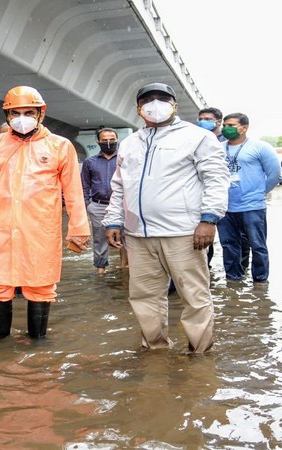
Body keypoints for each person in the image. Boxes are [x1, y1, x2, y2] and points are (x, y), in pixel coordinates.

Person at [103, 82, 229, 353]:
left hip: (183, 233)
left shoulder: (197, 137)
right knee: (144, 296)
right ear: (139, 108)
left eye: (163, 98)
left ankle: (200, 353)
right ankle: (155, 349)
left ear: (174, 104)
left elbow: (216, 179)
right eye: (148, 99)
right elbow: (119, 186)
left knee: (194, 296)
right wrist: (114, 220)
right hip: (138, 235)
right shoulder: (129, 143)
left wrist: (209, 219)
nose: (155, 104)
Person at [0, 86, 90, 346]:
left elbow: (74, 192)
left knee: (40, 285)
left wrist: (78, 229)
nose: (22, 118)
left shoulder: (60, 146)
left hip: (40, 228)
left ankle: (38, 340)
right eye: (15, 113)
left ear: (41, 114)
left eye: (29, 112)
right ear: (7, 116)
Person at [217, 112, 280, 284]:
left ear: (244, 127)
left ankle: (260, 283)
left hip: (252, 207)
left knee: (257, 246)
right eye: (225, 125)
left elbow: (275, 175)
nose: (226, 128)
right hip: (224, 207)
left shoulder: (260, 147)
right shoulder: (218, 148)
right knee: (229, 245)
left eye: (231, 125)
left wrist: (259, 193)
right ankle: (233, 280)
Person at [196, 107, 249, 269]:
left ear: (217, 122)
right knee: (207, 236)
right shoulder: (195, 140)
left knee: (239, 238)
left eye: (207, 119)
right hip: (204, 199)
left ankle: (241, 270)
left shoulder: (226, 143)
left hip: (234, 200)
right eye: (200, 118)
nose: (202, 122)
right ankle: (207, 267)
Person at [81, 127, 127, 275]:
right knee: (100, 238)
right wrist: (88, 205)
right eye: (105, 140)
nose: (108, 143)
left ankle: (124, 266)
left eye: (112, 140)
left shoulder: (124, 159)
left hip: (122, 204)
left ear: (117, 141)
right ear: (98, 142)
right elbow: (84, 184)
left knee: (126, 235)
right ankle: (101, 269)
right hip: (98, 206)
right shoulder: (90, 162)